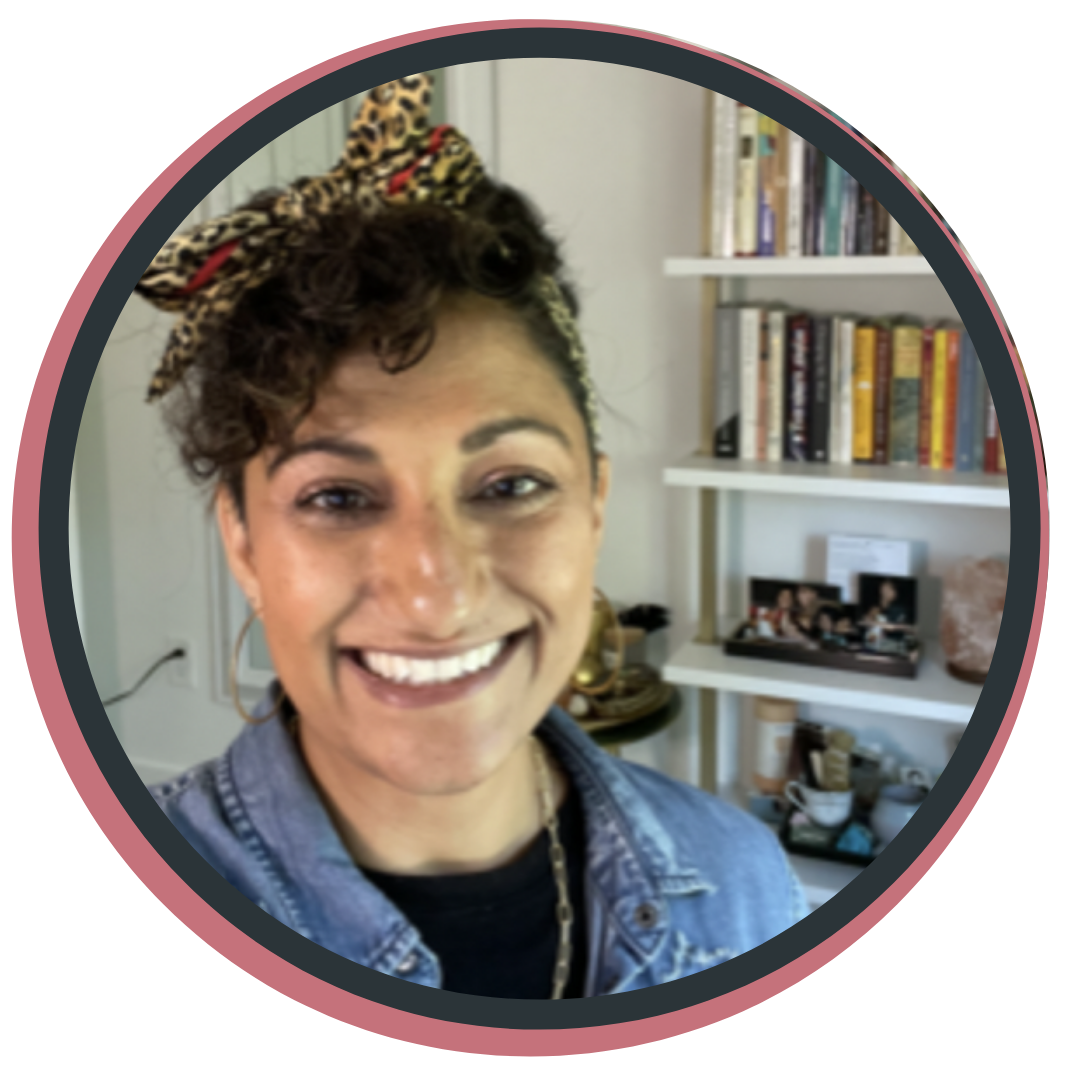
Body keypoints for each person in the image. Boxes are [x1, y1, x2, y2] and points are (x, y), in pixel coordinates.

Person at [140, 74, 808, 1001]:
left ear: (594, 505)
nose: (437, 593)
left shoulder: (745, 885)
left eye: (511, 486)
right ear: (244, 543)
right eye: (338, 497)